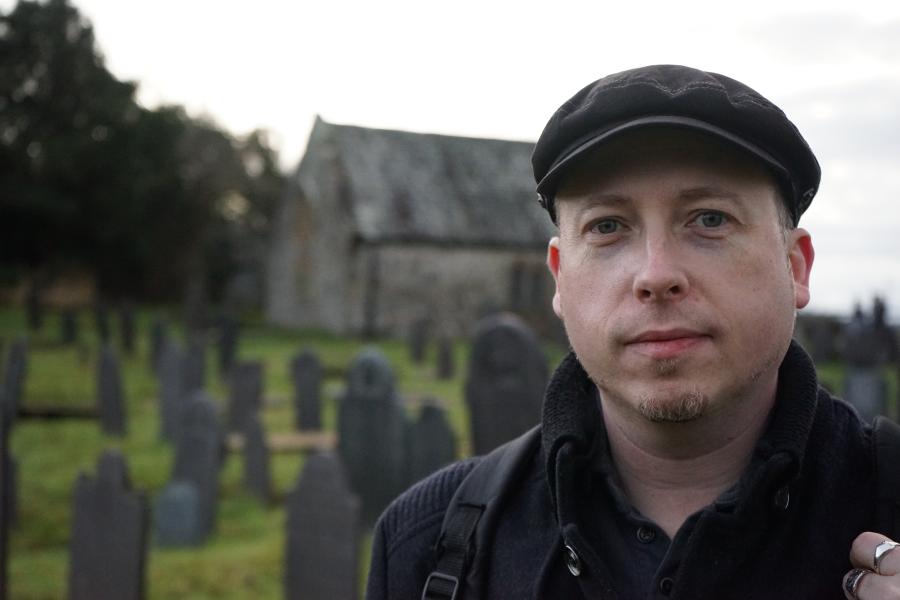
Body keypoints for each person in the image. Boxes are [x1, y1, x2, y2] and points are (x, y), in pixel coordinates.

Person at [365, 65, 900, 600]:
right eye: (607, 226)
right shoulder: (428, 544)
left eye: (709, 219)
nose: (656, 274)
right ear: (560, 277)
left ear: (795, 267)